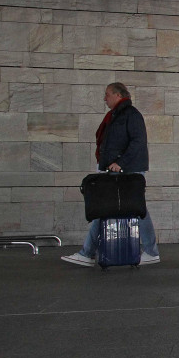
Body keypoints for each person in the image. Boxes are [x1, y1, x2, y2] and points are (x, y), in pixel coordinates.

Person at [63, 82, 159, 267]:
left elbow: (138, 141)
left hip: (126, 169)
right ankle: (148, 251)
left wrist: (120, 163)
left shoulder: (129, 115)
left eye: (107, 94)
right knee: (128, 209)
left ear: (117, 95)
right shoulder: (118, 115)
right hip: (119, 168)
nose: (104, 98)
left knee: (110, 208)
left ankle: (88, 252)